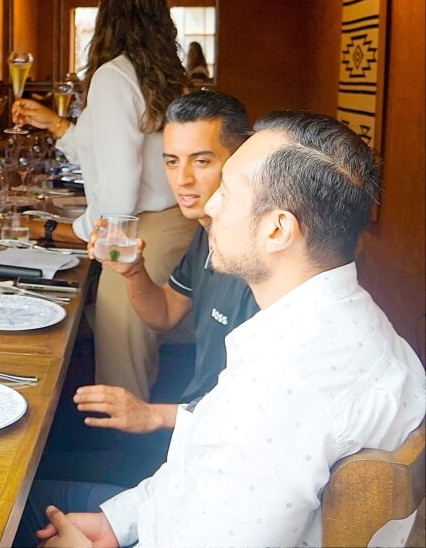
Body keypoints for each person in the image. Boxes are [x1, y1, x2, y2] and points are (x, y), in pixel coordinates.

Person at [26, 112, 426, 548]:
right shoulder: (359, 320)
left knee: (10, 505)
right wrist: (117, 523)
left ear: (277, 229)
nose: (211, 205)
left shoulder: (276, 389)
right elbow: (197, 474)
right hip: (160, 517)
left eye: (229, 193)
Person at [13, 0, 195, 400]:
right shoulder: (165, 75)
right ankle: (133, 444)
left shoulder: (114, 76)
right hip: (174, 224)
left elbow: (118, 185)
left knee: (122, 357)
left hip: (139, 227)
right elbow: (115, 150)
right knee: (135, 343)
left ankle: (123, 451)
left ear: (107, 16)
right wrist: (58, 126)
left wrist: (73, 234)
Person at [75, 91, 258, 434]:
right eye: (172, 161)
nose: (182, 179)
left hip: (218, 445)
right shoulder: (206, 233)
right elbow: (164, 315)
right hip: (190, 428)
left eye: (201, 161)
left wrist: (153, 415)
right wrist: (132, 272)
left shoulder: (259, 262)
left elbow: (258, 411)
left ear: (241, 157)